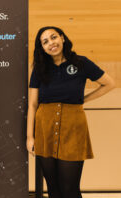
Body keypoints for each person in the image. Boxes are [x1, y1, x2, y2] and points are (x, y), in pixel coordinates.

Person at [27, 26, 115, 198]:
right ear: (42, 48)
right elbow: (33, 104)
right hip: (45, 127)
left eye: (53, 37)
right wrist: (30, 137)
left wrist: (84, 99)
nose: (51, 43)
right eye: (45, 42)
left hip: (73, 128)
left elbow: (109, 83)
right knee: (53, 189)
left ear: (62, 38)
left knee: (70, 190)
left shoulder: (81, 63)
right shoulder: (39, 68)